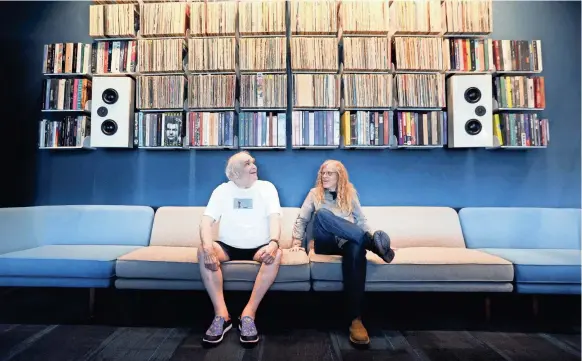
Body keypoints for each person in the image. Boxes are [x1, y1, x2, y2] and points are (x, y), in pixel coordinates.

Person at [291, 159, 395, 346]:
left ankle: (356, 320)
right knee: (322, 215)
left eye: (329, 173)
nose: (324, 176)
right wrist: (297, 242)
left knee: (356, 247)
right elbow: (302, 219)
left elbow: (361, 220)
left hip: (347, 242)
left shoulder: (350, 193)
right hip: (325, 242)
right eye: (322, 173)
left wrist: (366, 233)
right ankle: (372, 244)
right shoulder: (315, 194)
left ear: (340, 176)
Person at [198, 151, 283, 344]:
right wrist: (208, 247)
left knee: (277, 254)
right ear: (234, 174)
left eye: (253, 162)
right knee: (203, 251)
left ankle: (248, 315)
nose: (254, 166)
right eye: (247, 164)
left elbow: (275, 218)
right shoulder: (222, 190)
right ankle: (222, 316)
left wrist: (274, 242)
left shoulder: (266, 188)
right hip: (228, 246)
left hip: (259, 247)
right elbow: (205, 222)